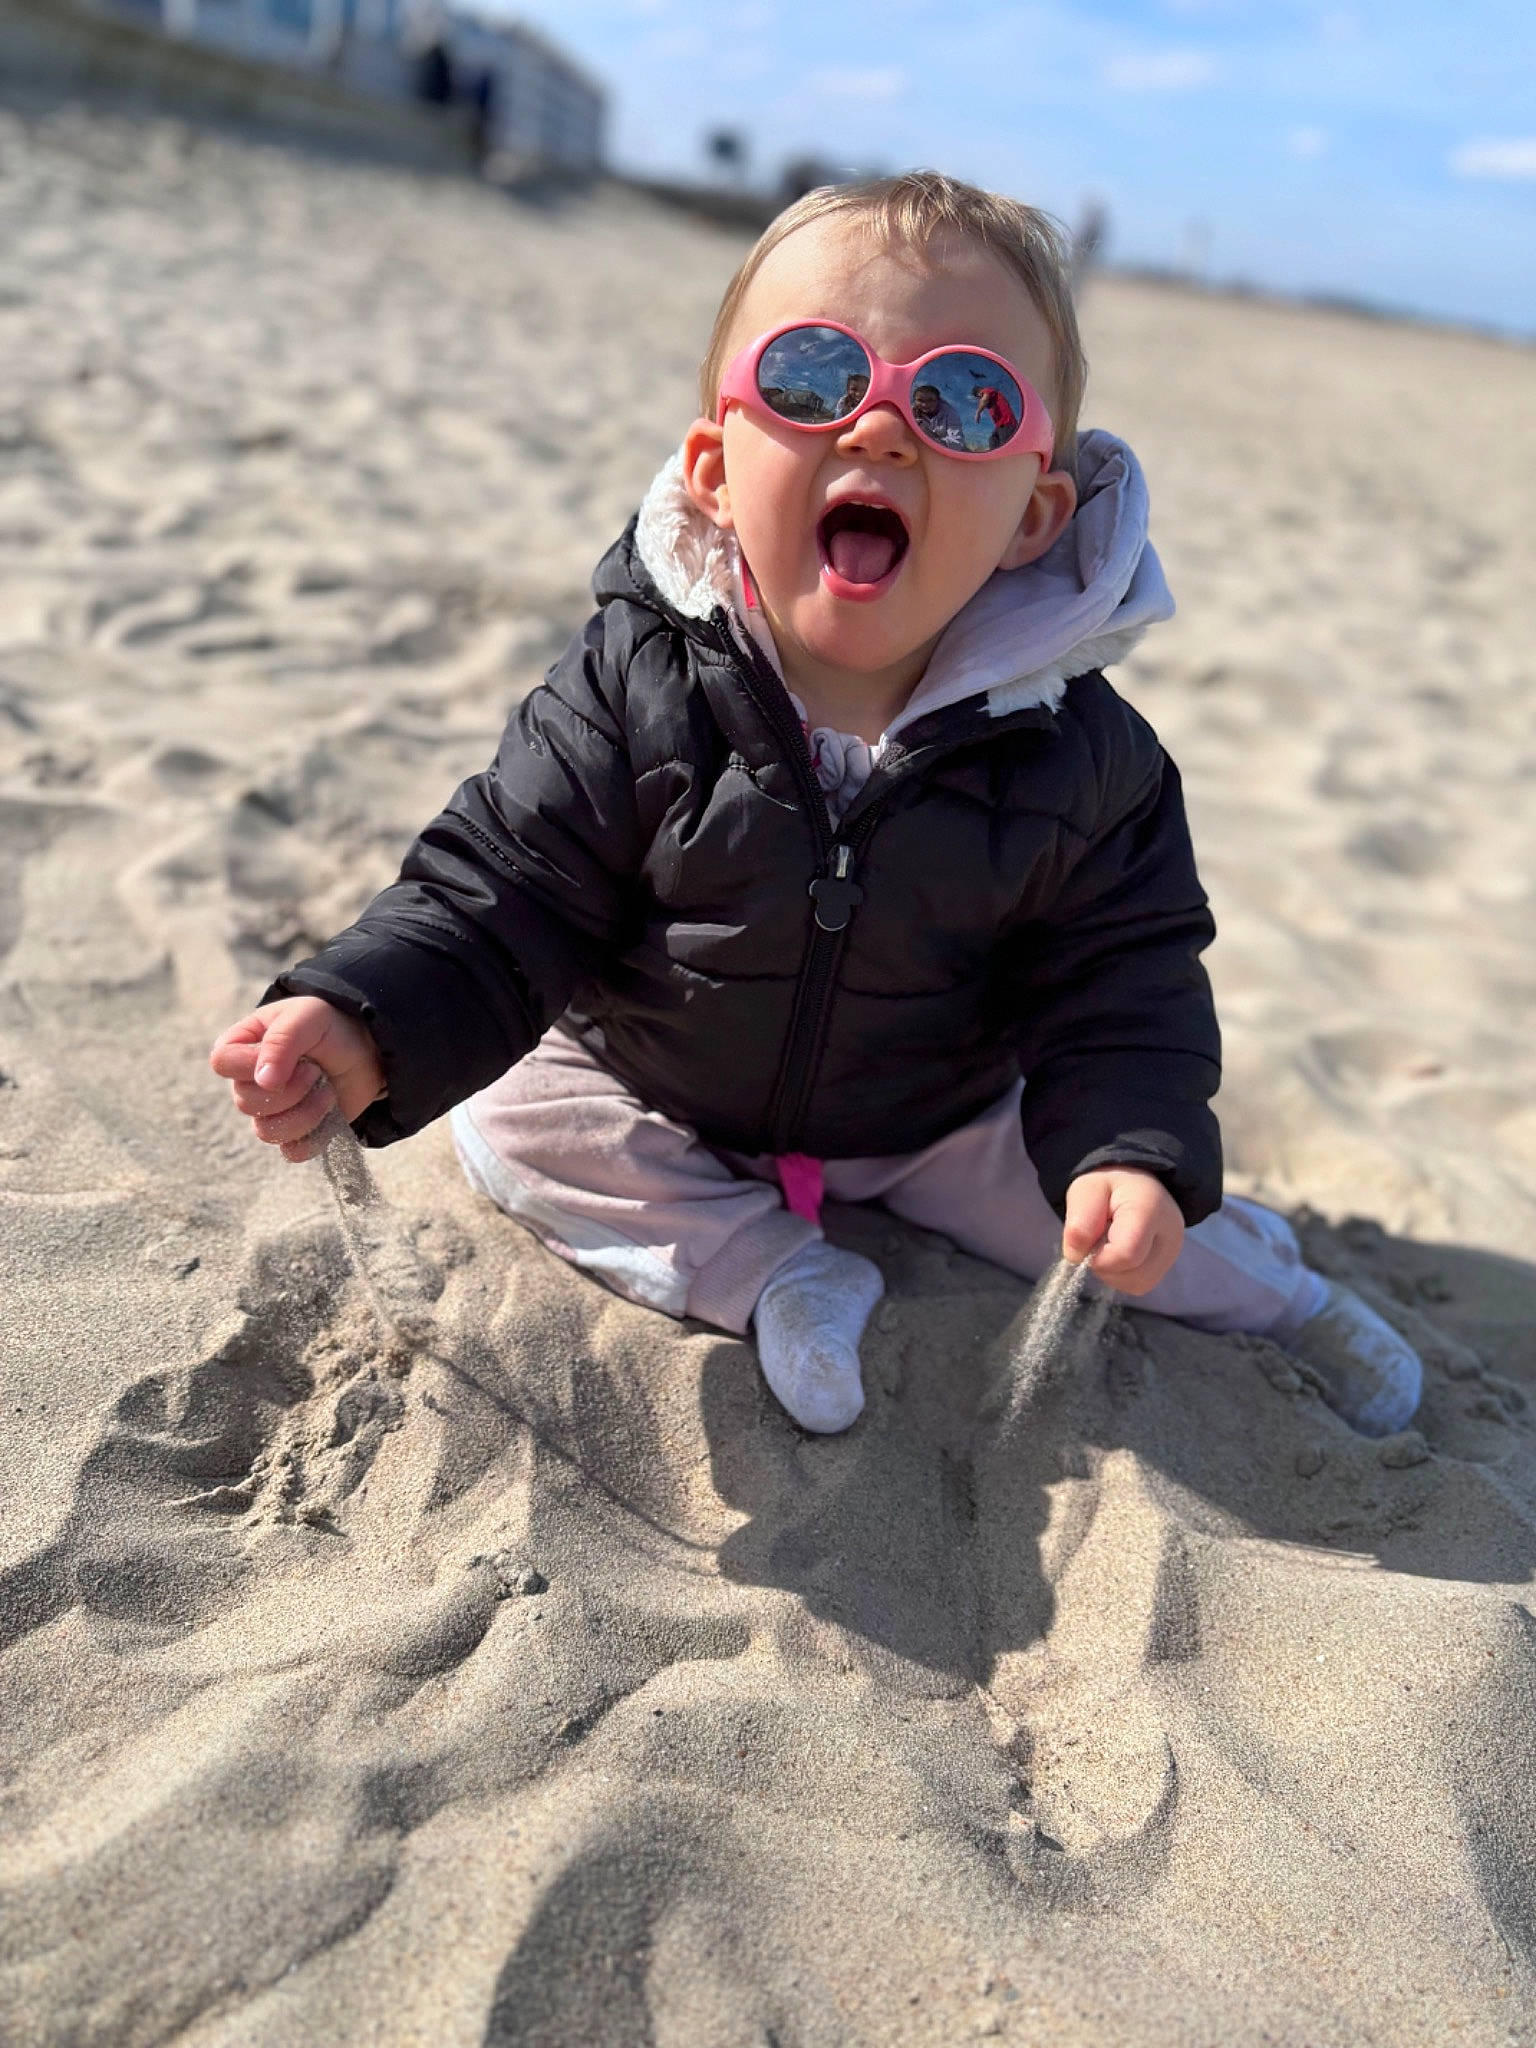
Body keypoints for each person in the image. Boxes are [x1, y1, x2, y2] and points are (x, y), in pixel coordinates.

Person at [210, 172, 1423, 1442]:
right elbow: (504, 885)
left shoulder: (1085, 760)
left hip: (939, 1115)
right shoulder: (633, 686)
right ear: (717, 468)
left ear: (1033, 514)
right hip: (659, 1078)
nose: (880, 430)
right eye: (810, 379)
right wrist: (368, 1014)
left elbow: (1124, 977)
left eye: (963, 402)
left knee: (1128, 1212)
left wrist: (1129, 1147)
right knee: (511, 1119)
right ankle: (780, 1269)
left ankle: (1285, 1297)